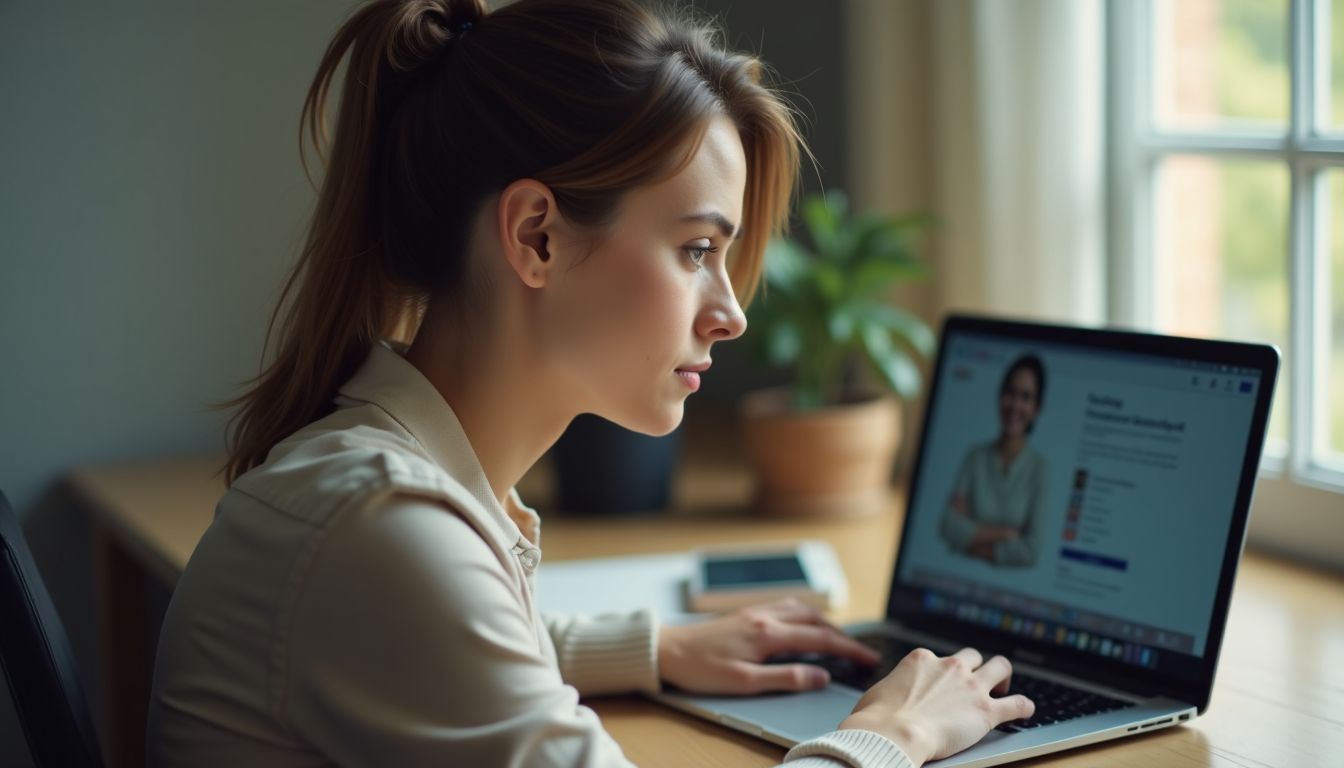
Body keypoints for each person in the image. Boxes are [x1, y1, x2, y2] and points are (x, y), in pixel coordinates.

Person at [146, 1, 1034, 766]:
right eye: (696, 250)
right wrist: (891, 733)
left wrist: (652, 647)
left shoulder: (396, 494)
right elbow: (421, 607)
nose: (732, 314)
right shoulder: (382, 531)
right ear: (536, 236)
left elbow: (453, 638)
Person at [940, 355, 1048, 567]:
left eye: (1026, 397)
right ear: (1000, 397)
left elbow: (1031, 552)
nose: (1015, 405)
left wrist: (968, 538)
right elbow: (948, 525)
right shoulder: (975, 457)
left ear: (1037, 409)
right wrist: (1005, 534)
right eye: (1010, 393)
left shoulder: (1040, 469)